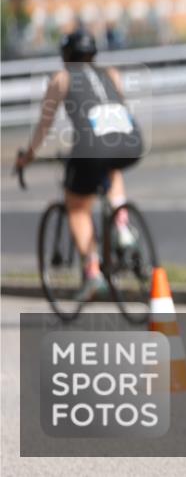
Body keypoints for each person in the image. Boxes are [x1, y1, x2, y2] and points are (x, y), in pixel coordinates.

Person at [15, 30, 143, 300]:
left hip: (92, 148)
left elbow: (45, 125)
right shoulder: (111, 74)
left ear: (65, 55)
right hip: (131, 141)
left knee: (77, 206)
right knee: (111, 165)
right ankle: (121, 224)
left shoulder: (62, 78)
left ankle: (92, 270)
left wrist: (28, 155)